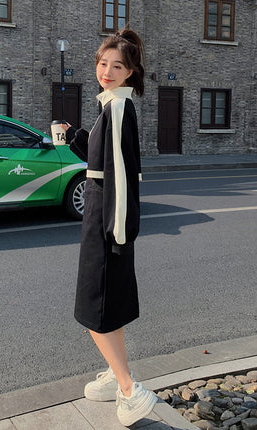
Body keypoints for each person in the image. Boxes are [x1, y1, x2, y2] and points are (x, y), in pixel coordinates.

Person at [63, 26, 157, 427]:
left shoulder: (118, 108)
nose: (107, 70)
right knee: (103, 307)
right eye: (103, 63)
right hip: (103, 220)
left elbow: (122, 176)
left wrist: (118, 233)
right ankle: (115, 374)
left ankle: (128, 390)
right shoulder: (112, 107)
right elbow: (103, 166)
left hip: (105, 225)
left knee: (93, 310)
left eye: (117, 66)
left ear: (131, 72)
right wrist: (76, 139)